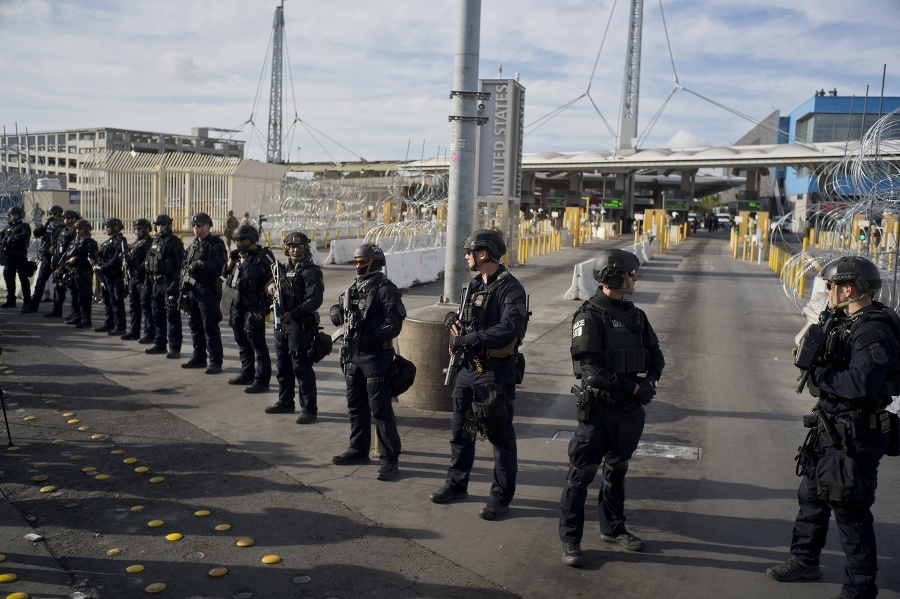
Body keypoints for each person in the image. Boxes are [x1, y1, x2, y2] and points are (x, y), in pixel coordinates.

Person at [767, 256, 896, 599]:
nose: (828, 291)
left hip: (856, 434)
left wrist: (821, 377)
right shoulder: (843, 321)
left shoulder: (873, 331)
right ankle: (805, 559)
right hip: (829, 428)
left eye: (832, 286)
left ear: (848, 289)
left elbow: (860, 385)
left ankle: (860, 587)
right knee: (811, 496)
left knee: (849, 509)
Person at [559, 249, 665, 568]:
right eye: (631, 273)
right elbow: (590, 370)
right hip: (599, 411)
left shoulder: (636, 316)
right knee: (581, 476)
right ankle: (570, 541)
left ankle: (613, 529)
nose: (636, 278)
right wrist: (632, 387)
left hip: (629, 411)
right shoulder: (589, 316)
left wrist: (650, 383)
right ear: (615, 276)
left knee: (616, 472)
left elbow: (656, 354)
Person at [430, 229, 528, 521]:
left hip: (495, 373)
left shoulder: (511, 289)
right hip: (468, 370)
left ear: (483, 254)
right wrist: (452, 322)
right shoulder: (474, 287)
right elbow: (463, 319)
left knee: (500, 437)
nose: (466, 257)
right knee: (460, 431)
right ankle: (456, 484)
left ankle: (500, 498)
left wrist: (469, 340)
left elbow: (509, 329)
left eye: (470, 252)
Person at [329, 244, 405, 481]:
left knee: (380, 410)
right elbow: (341, 305)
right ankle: (358, 449)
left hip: (375, 357)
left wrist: (368, 338)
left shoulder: (385, 290)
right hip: (354, 355)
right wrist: (335, 312)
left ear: (375, 262)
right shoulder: (356, 286)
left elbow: (394, 325)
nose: (359, 265)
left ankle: (389, 459)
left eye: (363, 262)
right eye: (357, 261)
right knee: (356, 405)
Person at [265, 231, 324, 422]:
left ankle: (309, 409)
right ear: (286, 248)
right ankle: (285, 401)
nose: (295, 249)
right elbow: (270, 282)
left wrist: (294, 313)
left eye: (299, 246)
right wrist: (270, 287)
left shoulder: (310, 271)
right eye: (291, 246)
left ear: (306, 248)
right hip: (281, 324)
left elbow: (315, 300)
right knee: (283, 366)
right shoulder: (281, 269)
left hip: (299, 326)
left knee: (301, 368)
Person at [223, 224, 276, 393]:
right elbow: (225, 273)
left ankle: (262, 381)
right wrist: (232, 261)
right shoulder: (239, 256)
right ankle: (247, 373)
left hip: (255, 307)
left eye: (241, 240)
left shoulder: (264, 256)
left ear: (251, 239)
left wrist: (245, 260)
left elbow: (261, 277)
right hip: (237, 305)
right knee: (242, 342)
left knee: (258, 345)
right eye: (236, 240)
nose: (238, 243)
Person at [180, 212, 227, 374]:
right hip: (193, 291)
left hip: (207, 291)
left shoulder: (216, 245)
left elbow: (219, 267)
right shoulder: (193, 245)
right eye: (194, 226)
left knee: (210, 327)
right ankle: (199, 357)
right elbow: (184, 266)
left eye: (198, 225)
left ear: (207, 226)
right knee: (195, 326)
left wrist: (201, 264)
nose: (195, 228)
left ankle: (215, 361)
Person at [144, 214, 184, 359]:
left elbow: (181, 266)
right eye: (158, 225)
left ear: (168, 225)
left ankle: (174, 348)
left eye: (163, 225)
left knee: (172, 317)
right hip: (155, 283)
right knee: (157, 315)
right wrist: (147, 284)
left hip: (169, 283)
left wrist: (175, 284)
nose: (160, 227)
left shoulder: (175, 243)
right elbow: (150, 265)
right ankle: (160, 344)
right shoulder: (155, 241)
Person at [22, 205, 64, 313]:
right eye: (50, 214)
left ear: (59, 214)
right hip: (47, 255)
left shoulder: (63, 226)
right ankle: (33, 306)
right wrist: (44, 226)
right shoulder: (47, 225)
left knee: (57, 283)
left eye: (54, 214)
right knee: (40, 281)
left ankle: (57, 309)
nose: (52, 216)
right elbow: (36, 233)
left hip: (57, 257)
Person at [121, 218, 155, 342]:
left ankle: (149, 334)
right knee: (133, 307)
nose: (137, 231)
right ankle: (134, 332)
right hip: (133, 279)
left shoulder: (150, 243)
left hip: (143, 278)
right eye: (135, 228)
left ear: (146, 229)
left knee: (146, 307)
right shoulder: (135, 243)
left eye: (140, 228)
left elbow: (149, 260)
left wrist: (139, 270)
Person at [61, 219, 99, 328]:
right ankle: (76, 316)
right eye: (76, 229)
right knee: (74, 296)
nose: (78, 231)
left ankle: (86, 320)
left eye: (80, 229)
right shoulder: (75, 241)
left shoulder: (90, 243)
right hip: (73, 272)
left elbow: (92, 260)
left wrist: (76, 259)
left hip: (83, 273)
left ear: (86, 229)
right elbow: (67, 255)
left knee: (84, 298)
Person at [93, 218, 128, 335]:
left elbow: (117, 259)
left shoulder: (121, 241)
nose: (106, 229)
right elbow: (101, 255)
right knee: (107, 301)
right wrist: (97, 263)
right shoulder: (108, 242)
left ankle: (120, 327)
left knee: (116, 302)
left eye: (109, 227)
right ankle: (109, 323)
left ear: (116, 228)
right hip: (106, 276)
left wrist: (103, 267)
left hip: (115, 276)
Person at [46, 210, 79, 318]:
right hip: (59, 261)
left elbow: (73, 250)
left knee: (73, 289)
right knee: (58, 287)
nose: (66, 220)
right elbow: (57, 243)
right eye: (64, 218)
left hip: (69, 263)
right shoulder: (62, 230)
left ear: (74, 219)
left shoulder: (76, 232)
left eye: (68, 218)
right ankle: (57, 309)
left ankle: (75, 313)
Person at [0, 205, 33, 308]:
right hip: (8, 257)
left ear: (20, 216)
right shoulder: (7, 228)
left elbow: (25, 235)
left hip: (19, 256)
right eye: (11, 215)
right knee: (9, 279)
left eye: (14, 214)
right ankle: (11, 300)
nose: (12, 216)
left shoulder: (24, 226)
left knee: (23, 279)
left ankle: (27, 302)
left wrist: (13, 238)